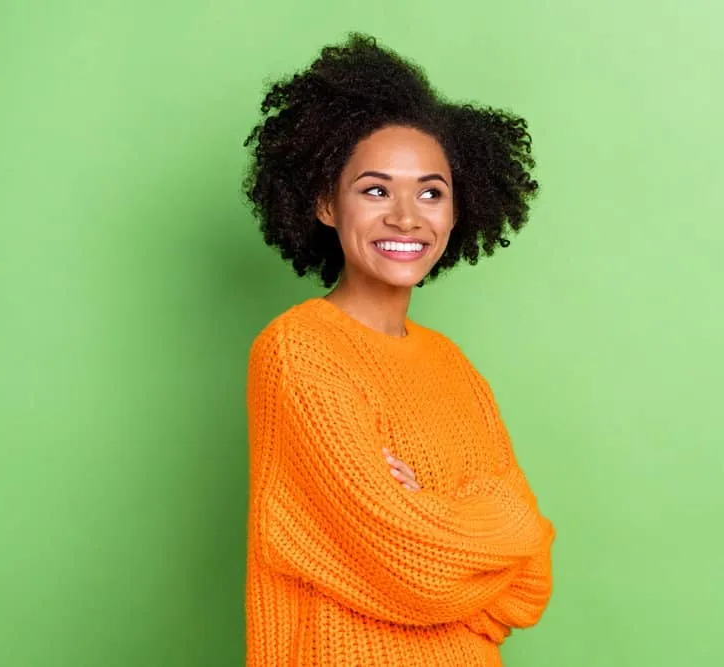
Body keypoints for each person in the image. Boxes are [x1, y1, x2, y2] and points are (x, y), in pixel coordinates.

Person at [240, 33, 555, 667]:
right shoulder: (299, 351)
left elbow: (532, 576)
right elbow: (414, 566)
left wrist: (434, 513)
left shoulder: (453, 366)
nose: (407, 217)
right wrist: (484, 522)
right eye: (376, 190)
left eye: (431, 192)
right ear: (327, 204)